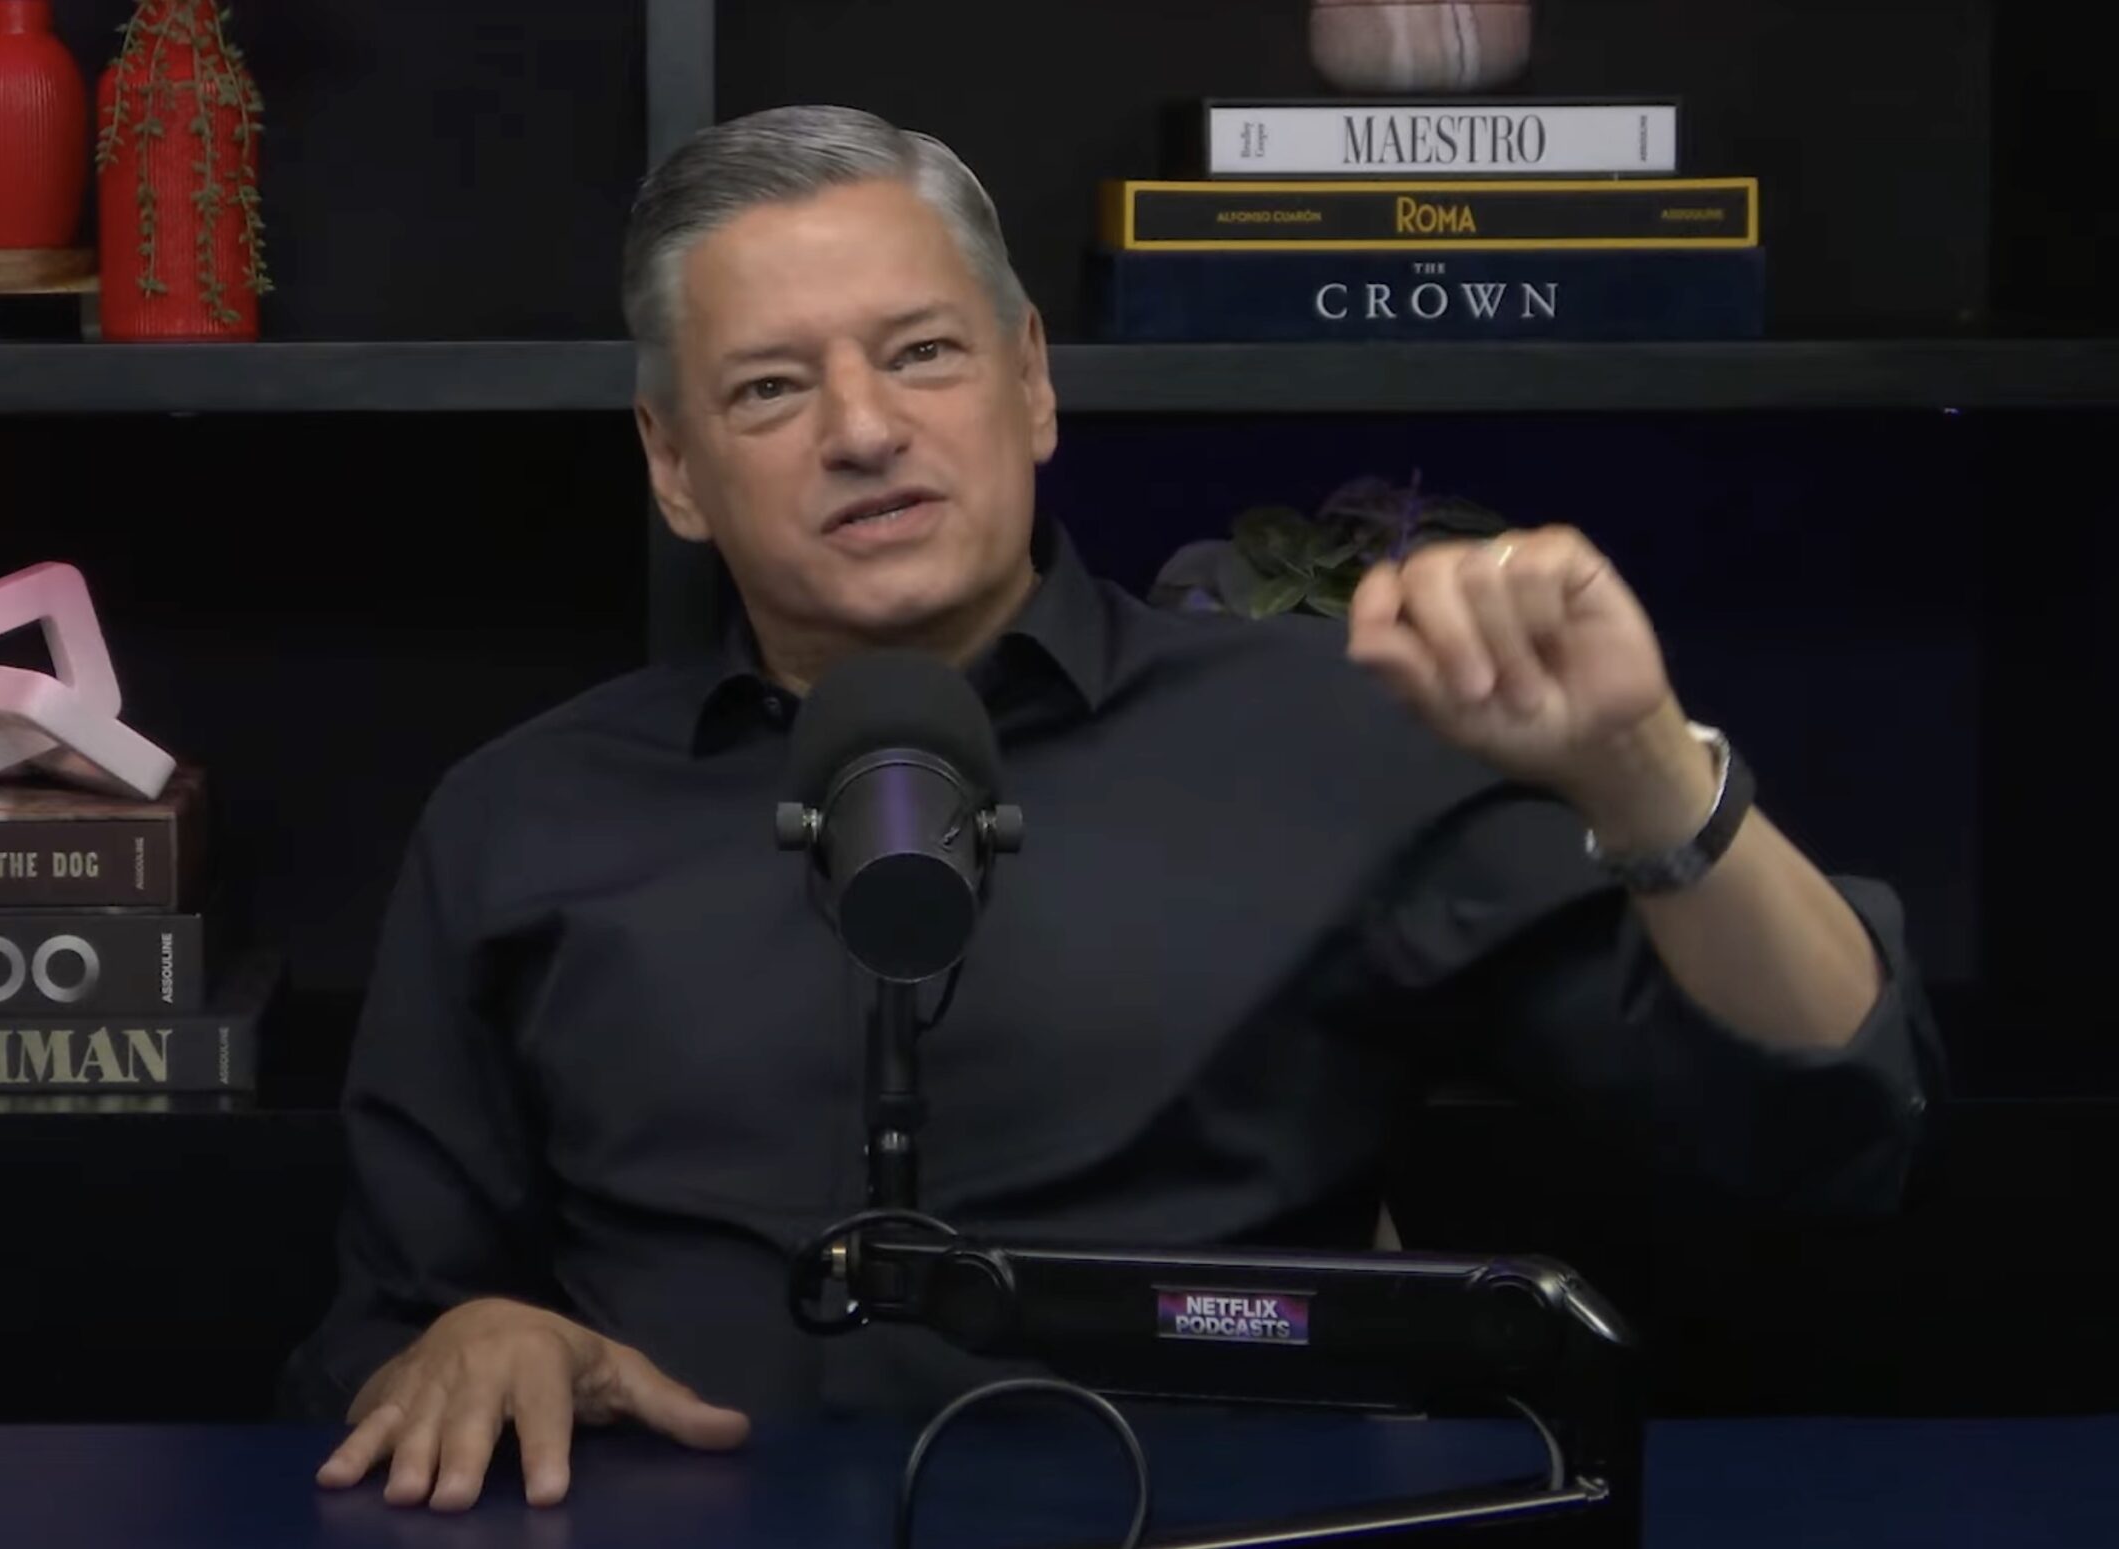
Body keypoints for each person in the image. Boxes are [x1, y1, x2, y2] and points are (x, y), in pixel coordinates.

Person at [282, 102, 1944, 1513]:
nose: (865, 431)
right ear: (670, 462)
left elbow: (1831, 1123)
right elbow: (378, 1342)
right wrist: (478, 1335)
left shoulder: (1332, 737)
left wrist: (1646, 762)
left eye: (923, 354)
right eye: (771, 390)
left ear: (1031, 384)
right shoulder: (522, 814)